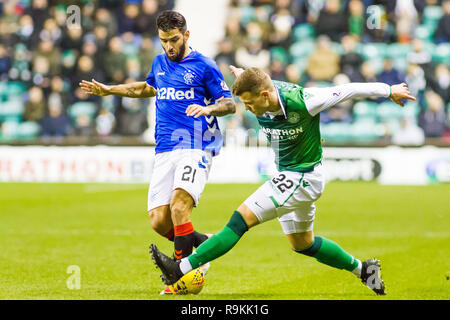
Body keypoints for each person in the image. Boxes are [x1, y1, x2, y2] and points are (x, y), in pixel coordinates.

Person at [150, 66, 417, 295]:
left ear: (265, 95)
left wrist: (388, 90)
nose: (248, 109)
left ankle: (180, 268)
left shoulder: (305, 99)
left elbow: (348, 90)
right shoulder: (262, 93)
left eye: (250, 103)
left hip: (302, 177)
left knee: (239, 220)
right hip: (291, 175)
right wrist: (243, 75)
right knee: (303, 244)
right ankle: (365, 270)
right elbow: (256, 80)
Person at [79, 10, 236, 294]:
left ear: (186, 35)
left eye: (174, 40)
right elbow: (146, 88)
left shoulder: (204, 65)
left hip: (195, 144)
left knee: (179, 207)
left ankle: (180, 277)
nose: (169, 46)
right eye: (164, 41)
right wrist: (110, 90)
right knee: (158, 220)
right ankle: (205, 242)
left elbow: (229, 104)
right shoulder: (159, 62)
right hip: (164, 148)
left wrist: (209, 107)